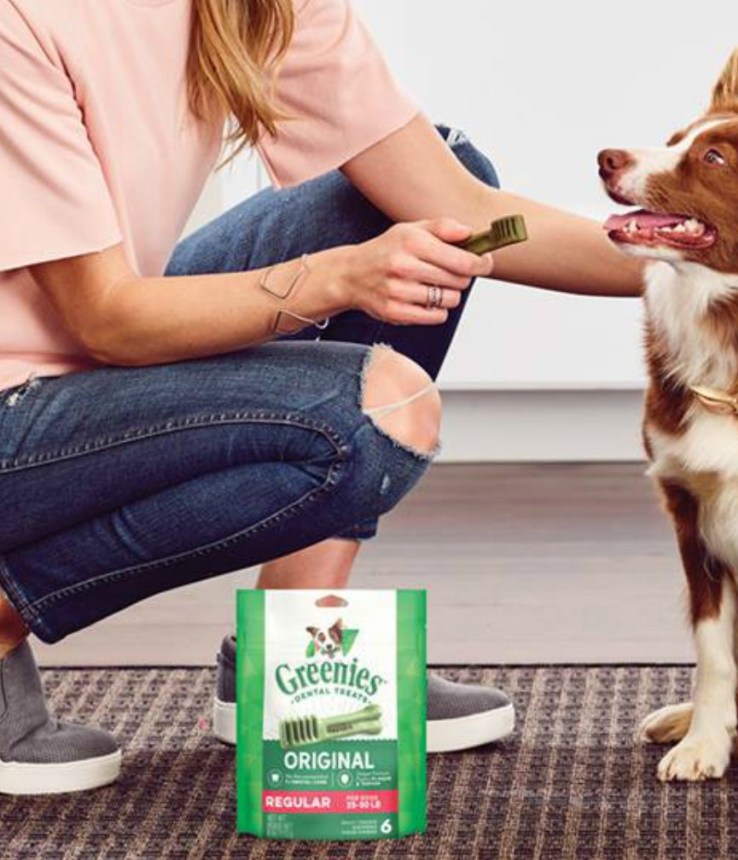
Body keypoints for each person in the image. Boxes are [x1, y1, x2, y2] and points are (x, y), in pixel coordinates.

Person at [0, 0, 645, 795]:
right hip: (16, 416)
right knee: (370, 416)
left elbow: (472, 215)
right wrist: (339, 277)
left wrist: (735, 266)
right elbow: (105, 321)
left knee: (438, 197)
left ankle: (292, 656)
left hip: (85, 362)